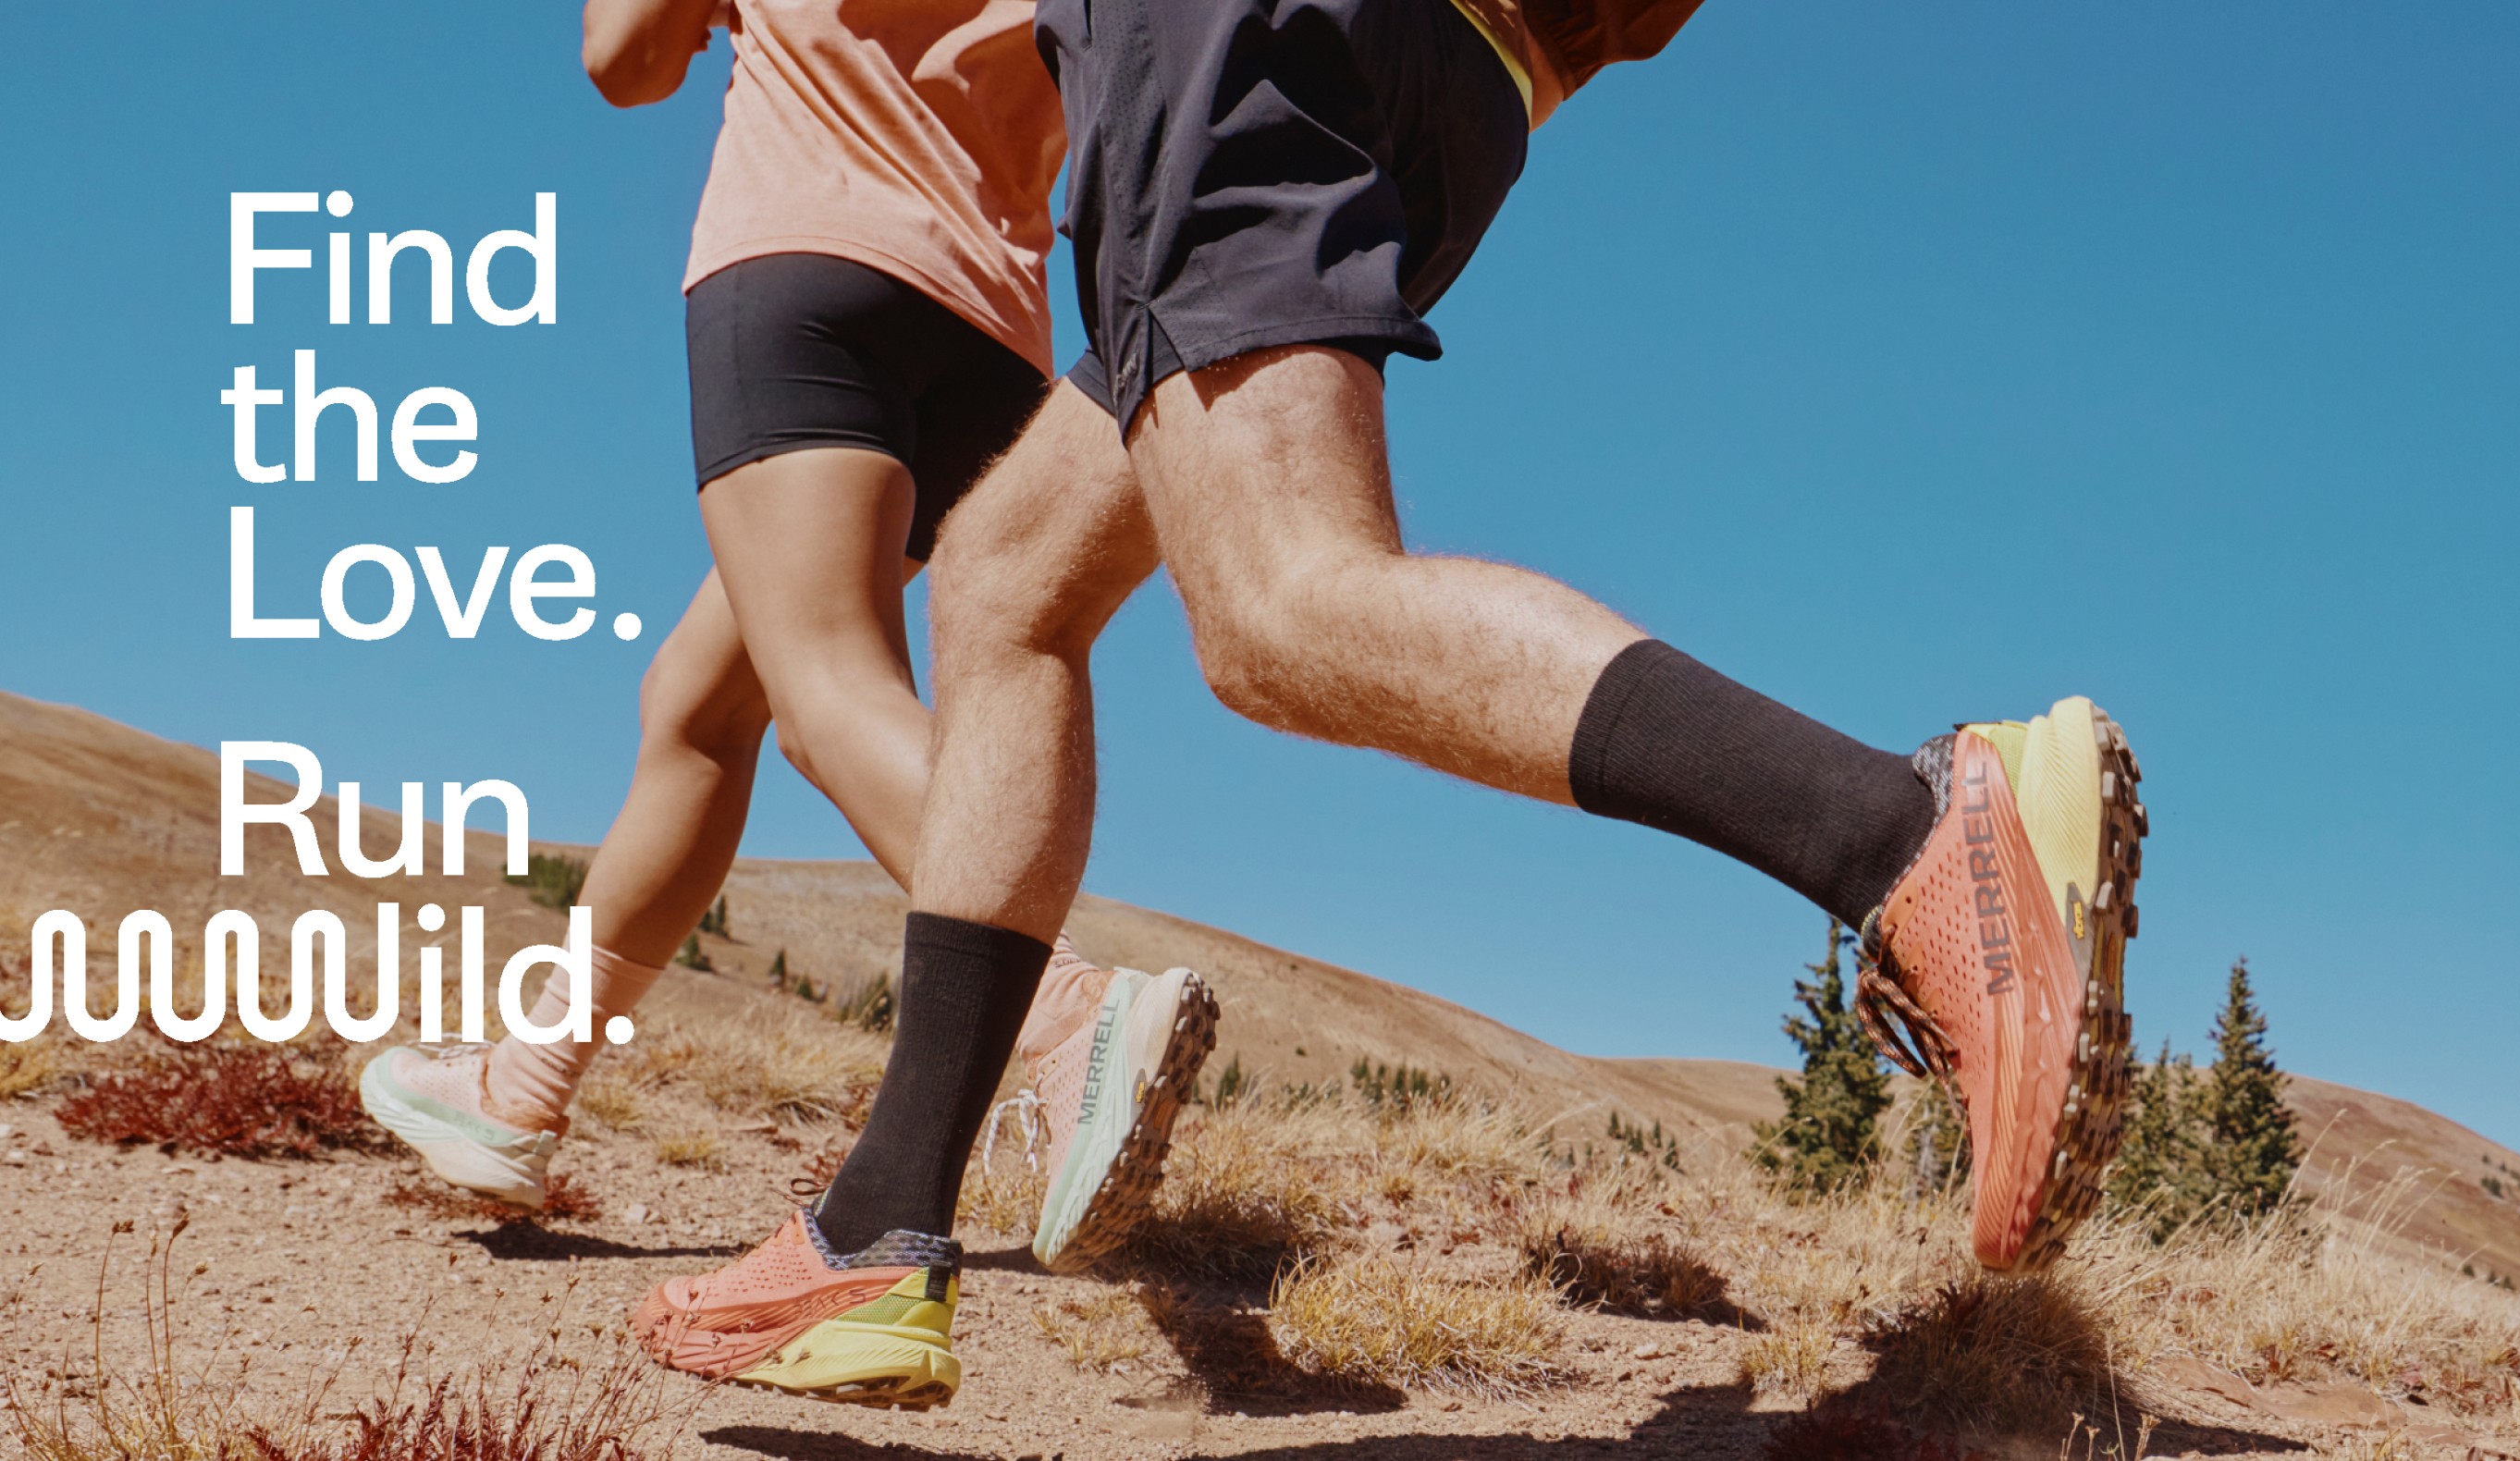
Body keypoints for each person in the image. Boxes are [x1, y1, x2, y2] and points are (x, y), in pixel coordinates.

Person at [629, 0, 2151, 1406]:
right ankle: (874, 1231)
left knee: (1279, 604)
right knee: (1005, 578)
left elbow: (622, 49)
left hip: (1227, 37)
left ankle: (1900, 832)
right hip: (1473, 84)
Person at [358, 0, 1221, 1393]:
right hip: (993, 331)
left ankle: (1066, 1011)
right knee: (700, 705)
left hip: (808, 264)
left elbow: (623, 62)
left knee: (829, 685)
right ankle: (523, 1088)